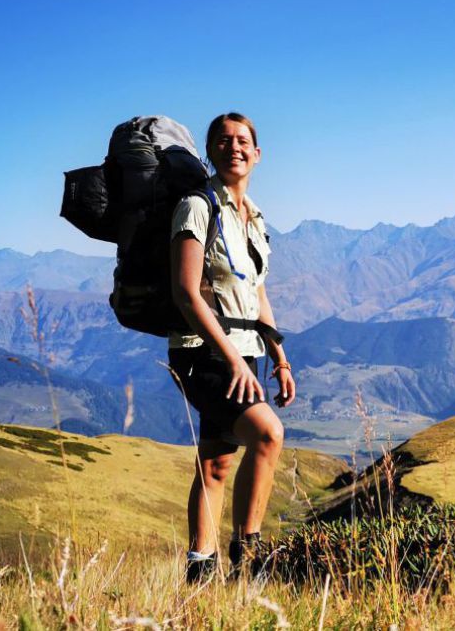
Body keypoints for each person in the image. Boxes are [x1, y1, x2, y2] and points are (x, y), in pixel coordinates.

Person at [168, 112, 296, 583]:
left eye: (243, 141)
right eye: (223, 140)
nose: (234, 147)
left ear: (258, 155)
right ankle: (248, 562)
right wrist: (229, 360)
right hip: (204, 351)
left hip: (247, 351)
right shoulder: (197, 207)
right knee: (268, 434)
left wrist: (278, 357)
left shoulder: (254, 218)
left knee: (217, 462)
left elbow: (257, 293)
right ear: (210, 151)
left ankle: (199, 576)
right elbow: (185, 292)